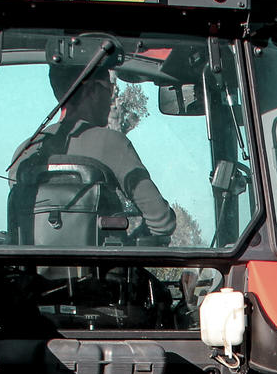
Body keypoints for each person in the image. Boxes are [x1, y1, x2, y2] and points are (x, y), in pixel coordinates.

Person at [10, 62, 176, 243]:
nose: (111, 97)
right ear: (91, 90)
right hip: (102, 270)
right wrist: (124, 246)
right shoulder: (112, 143)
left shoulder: (25, 152)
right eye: (109, 88)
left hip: (31, 270)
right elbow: (162, 222)